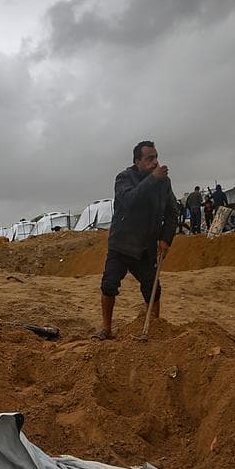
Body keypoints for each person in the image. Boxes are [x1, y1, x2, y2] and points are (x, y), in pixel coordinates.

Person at [93, 140, 179, 340]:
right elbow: (130, 200)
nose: (155, 162)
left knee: (153, 288)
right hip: (121, 244)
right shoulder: (124, 178)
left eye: (156, 157)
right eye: (149, 159)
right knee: (109, 285)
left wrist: (166, 238)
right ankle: (106, 329)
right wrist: (152, 180)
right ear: (137, 161)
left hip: (146, 247)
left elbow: (172, 212)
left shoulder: (164, 183)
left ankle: (154, 327)